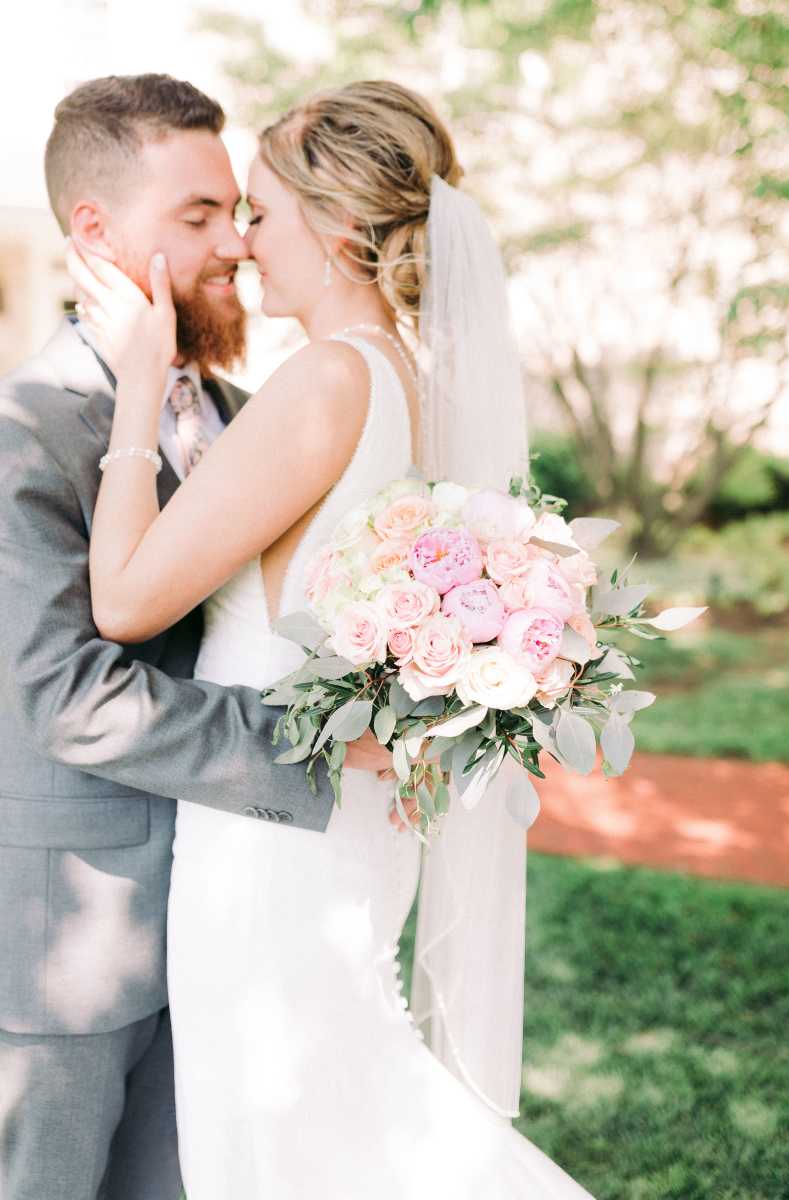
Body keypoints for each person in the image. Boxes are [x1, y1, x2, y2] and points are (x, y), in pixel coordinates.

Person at [70, 78, 596, 1198]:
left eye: (258, 213)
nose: (242, 244)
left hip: (268, 846)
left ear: (340, 225)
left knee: (290, 1139)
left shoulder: (325, 379)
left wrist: (137, 392)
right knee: (340, 1112)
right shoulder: (410, 378)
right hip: (340, 818)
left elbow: (123, 603)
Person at [0, 74, 392, 1200]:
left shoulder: (236, 411)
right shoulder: (26, 430)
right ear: (94, 231)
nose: (235, 243)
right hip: (71, 958)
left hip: (225, 926)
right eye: (199, 215)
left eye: (238, 210)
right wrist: (317, 746)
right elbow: (69, 699)